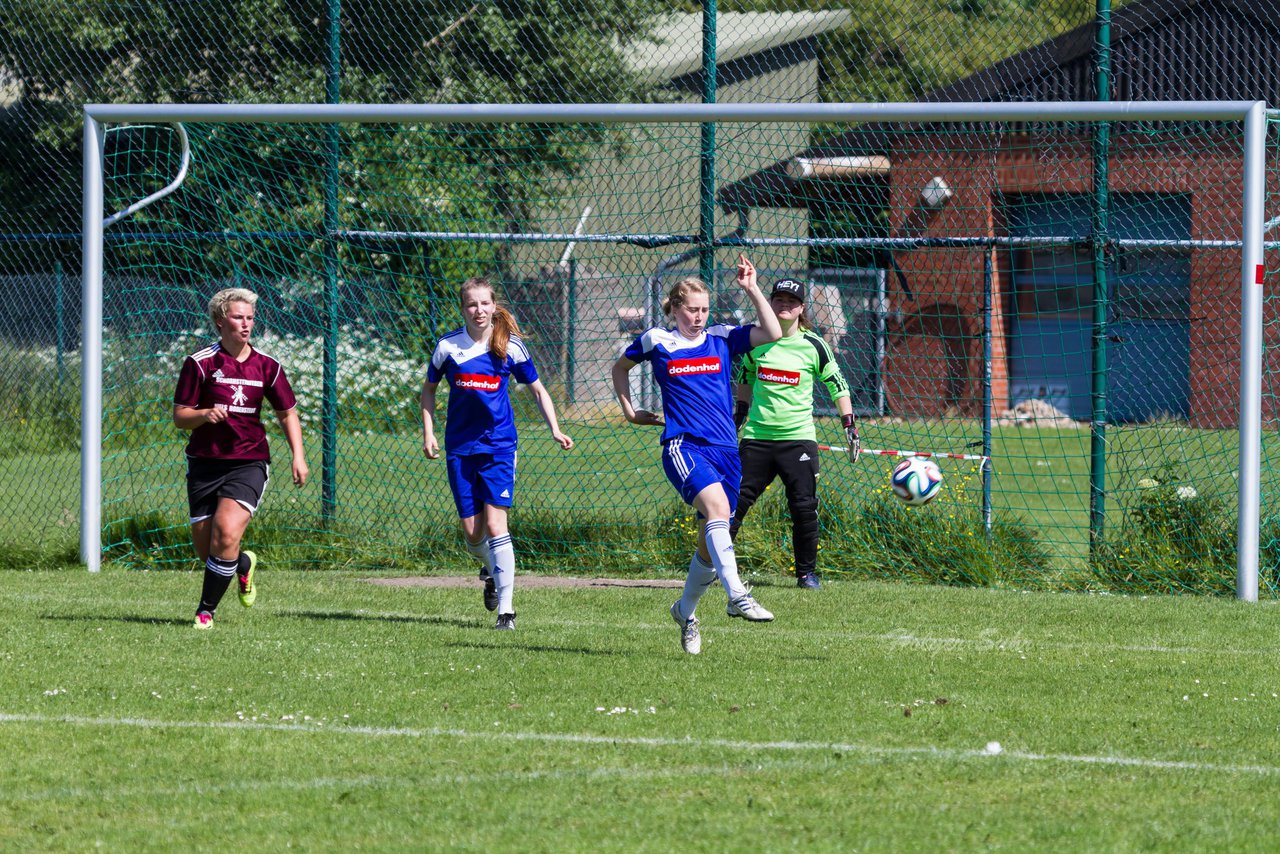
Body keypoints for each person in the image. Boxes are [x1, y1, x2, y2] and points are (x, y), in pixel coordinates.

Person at [611, 255, 782, 655]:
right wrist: (629, 410)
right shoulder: (657, 340)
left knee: (712, 536)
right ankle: (737, 594)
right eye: (691, 309)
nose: (699, 317)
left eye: (704, 309)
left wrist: (752, 288)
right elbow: (619, 368)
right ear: (674, 308)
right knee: (718, 510)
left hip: (726, 448)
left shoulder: (722, 337)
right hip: (683, 444)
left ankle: (685, 612)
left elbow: (773, 333)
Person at [421, 276, 574, 630]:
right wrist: (429, 433)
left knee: (495, 523)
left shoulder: (511, 346)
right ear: (462, 308)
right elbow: (428, 391)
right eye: (472, 304)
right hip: (460, 448)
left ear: (494, 307)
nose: (479, 310)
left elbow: (538, 390)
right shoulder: (448, 347)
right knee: (474, 535)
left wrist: (555, 428)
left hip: (500, 447)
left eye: (485, 304)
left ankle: (507, 611)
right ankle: (491, 571)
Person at [173, 287, 309, 629]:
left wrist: (298, 456)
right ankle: (243, 567)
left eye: (250, 318)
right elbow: (180, 416)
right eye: (238, 317)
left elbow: (288, 413)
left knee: (226, 533)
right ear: (220, 322)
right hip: (205, 462)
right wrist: (203, 414)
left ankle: (205, 612)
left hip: (249, 461)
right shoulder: (200, 363)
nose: (246, 324)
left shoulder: (267, 367)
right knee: (208, 552)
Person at [729, 277, 859, 591]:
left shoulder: (814, 344)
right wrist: (741, 411)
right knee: (732, 504)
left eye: (791, 301)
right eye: (779, 300)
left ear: (801, 309)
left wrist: (849, 425)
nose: (784, 305)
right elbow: (745, 374)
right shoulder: (756, 338)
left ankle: (806, 575)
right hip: (757, 439)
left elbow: (836, 383)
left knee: (803, 507)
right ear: (770, 303)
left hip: (797, 440)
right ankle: (712, 566)